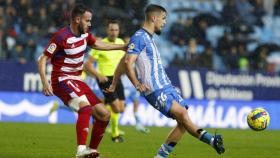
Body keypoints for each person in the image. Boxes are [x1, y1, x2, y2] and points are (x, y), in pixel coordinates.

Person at [106, 4, 225, 158]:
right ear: (153, 18)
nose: (164, 22)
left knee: (183, 122)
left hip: (166, 86)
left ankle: (160, 156)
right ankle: (211, 140)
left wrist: (114, 83)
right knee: (182, 114)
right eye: (163, 18)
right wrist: (136, 84)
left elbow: (122, 62)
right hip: (154, 89)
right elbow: (128, 62)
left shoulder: (147, 38)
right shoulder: (139, 37)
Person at [37, 4, 126, 158]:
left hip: (77, 80)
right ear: (77, 19)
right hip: (61, 79)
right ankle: (80, 151)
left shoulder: (85, 34)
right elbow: (42, 58)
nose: (90, 24)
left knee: (104, 114)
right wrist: (45, 83)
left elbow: (98, 44)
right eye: (87, 20)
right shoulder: (61, 36)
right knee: (85, 108)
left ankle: (91, 151)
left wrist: (122, 46)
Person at [84, 20, 126, 142]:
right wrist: (98, 75)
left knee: (121, 108)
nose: (114, 32)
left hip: (117, 78)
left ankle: (96, 111)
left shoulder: (120, 43)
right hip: (105, 79)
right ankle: (115, 135)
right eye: (111, 30)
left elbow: (124, 60)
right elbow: (88, 65)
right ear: (107, 31)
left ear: (119, 31)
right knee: (116, 108)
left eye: (116, 30)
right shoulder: (100, 44)